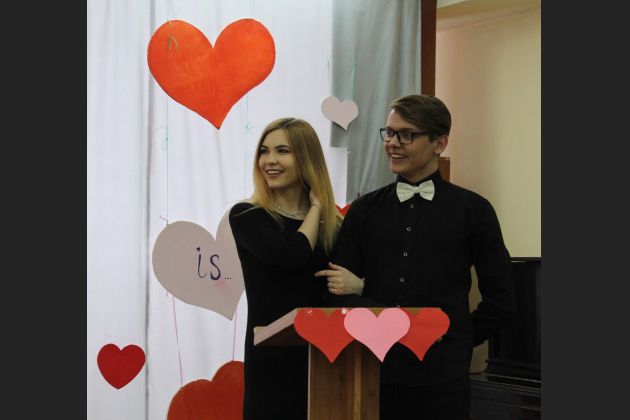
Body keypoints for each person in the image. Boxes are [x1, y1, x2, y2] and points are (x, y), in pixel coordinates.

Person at [315, 94, 515, 420]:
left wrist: (456, 339)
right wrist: (385, 318)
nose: (393, 143)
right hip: (371, 375)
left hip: (443, 380)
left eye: (406, 135)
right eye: (389, 133)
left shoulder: (474, 211)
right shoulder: (364, 211)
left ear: (440, 143)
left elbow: (502, 301)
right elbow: (333, 293)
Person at [229, 117, 343, 420]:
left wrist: (358, 283)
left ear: (306, 159)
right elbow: (293, 255)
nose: (269, 160)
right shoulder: (247, 215)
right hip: (271, 360)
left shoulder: (335, 225)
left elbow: (347, 283)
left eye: (282, 151)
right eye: (264, 151)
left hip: (326, 358)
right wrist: (317, 207)